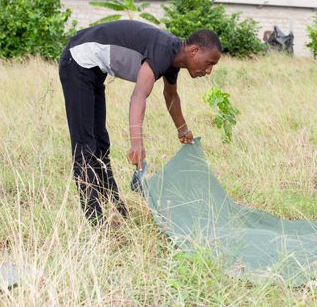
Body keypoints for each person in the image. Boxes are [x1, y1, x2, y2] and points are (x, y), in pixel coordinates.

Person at [58, 20, 222, 225]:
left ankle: (115, 207)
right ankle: (96, 221)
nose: (208, 71)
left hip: (94, 71)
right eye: (209, 63)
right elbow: (138, 96)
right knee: (85, 145)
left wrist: (183, 131)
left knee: (101, 143)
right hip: (77, 62)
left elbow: (171, 97)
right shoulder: (163, 51)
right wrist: (137, 143)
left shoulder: (173, 61)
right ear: (194, 51)